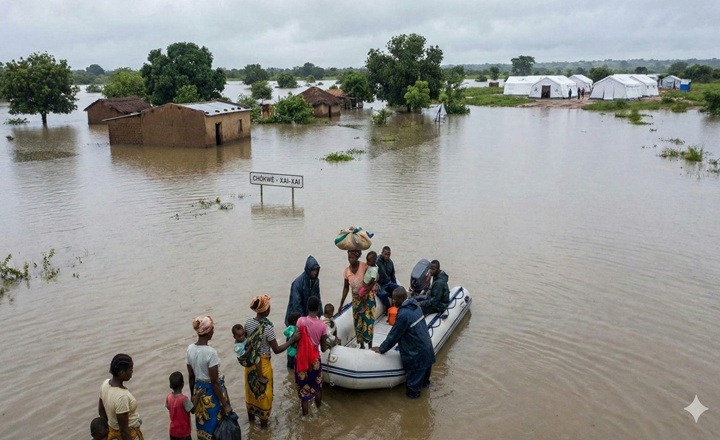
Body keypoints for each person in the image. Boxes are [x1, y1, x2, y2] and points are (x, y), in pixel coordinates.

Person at [244, 294, 299, 427]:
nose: (270, 308)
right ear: (265, 310)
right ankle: (264, 428)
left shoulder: (248, 323)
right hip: (263, 364)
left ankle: (251, 424)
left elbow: (246, 342)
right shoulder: (268, 328)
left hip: (250, 363)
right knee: (265, 396)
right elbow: (276, 349)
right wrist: (292, 340)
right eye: (268, 307)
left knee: (251, 393)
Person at [372, 287, 435, 398]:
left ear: (401, 299)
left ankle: (413, 406)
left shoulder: (404, 314)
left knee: (412, 392)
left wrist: (381, 348)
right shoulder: (415, 306)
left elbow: (394, 335)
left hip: (416, 356)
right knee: (425, 385)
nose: (393, 301)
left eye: (394, 299)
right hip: (427, 350)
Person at [186, 316, 232, 440]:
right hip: (212, 394)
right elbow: (215, 382)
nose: (213, 332)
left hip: (199, 391)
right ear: (207, 331)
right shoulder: (210, 352)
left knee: (203, 425)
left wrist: (193, 396)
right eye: (212, 329)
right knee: (217, 427)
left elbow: (191, 376)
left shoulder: (190, 349)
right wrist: (225, 404)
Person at [294, 296, 331, 415]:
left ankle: (305, 417)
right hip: (314, 360)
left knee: (304, 393)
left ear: (307, 307)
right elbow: (323, 348)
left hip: (301, 360)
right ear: (318, 308)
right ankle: (318, 411)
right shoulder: (322, 326)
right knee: (318, 387)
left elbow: (296, 340)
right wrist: (332, 344)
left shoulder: (300, 321)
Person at [285, 256, 321, 368]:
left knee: (305, 345)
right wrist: (303, 322)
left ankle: (303, 366)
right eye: (312, 270)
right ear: (308, 270)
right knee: (293, 343)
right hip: (294, 318)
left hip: (307, 316)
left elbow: (318, 300)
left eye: (316, 270)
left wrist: (320, 316)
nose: (314, 273)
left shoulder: (316, 282)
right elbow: (296, 304)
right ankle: (291, 366)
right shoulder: (298, 283)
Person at [98, 353, 144, 440]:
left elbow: (102, 413)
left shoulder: (105, 384)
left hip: (112, 431)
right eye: (130, 370)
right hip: (129, 434)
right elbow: (124, 431)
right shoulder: (122, 397)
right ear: (122, 373)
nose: (132, 372)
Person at [340, 249, 375, 349]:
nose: (351, 260)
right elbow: (346, 288)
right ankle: (362, 345)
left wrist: (368, 289)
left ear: (358, 257)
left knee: (368, 322)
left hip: (367, 297)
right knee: (358, 322)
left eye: (353, 258)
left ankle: (370, 346)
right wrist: (341, 304)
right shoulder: (347, 271)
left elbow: (376, 276)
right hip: (356, 299)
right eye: (349, 257)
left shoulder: (364, 266)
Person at [165, 371, 203, 440]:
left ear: (170, 386)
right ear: (182, 384)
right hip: (184, 433)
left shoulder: (168, 396)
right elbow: (193, 410)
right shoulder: (184, 399)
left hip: (173, 432)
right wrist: (198, 395)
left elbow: (168, 407)